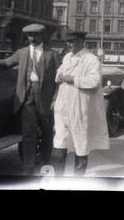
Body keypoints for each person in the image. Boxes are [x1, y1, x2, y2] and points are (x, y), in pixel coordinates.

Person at [0, 23, 60, 175]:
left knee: (47, 134)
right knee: (28, 134)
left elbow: (59, 80)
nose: (32, 39)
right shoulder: (21, 53)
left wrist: (55, 98)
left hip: (46, 100)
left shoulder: (52, 55)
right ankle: (28, 168)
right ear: (27, 37)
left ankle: (46, 165)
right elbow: (6, 63)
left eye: (35, 35)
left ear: (41, 36)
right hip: (26, 99)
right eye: (30, 36)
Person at [52, 31, 109, 176]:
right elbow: (58, 74)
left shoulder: (91, 59)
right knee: (60, 140)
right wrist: (60, 76)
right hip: (63, 104)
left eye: (72, 41)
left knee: (80, 141)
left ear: (81, 41)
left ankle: (78, 179)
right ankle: (57, 179)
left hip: (79, 105)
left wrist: (72, 78)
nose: (69, 44)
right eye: (68, 41)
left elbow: (94, 81)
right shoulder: (67, 57)